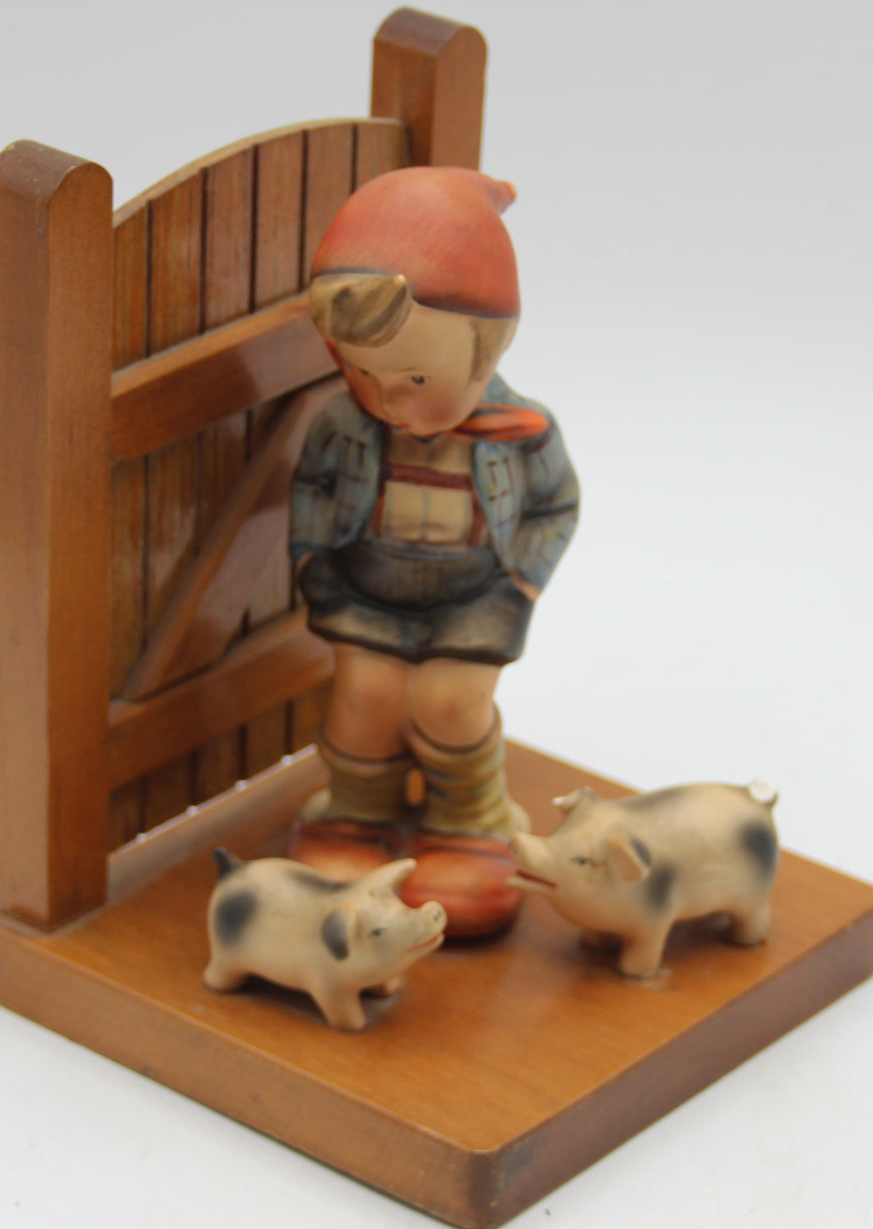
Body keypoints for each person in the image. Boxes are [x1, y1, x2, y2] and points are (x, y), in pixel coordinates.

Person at [288, 166, 580, 934]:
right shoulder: (344, 424)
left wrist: (522, 584)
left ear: (487, 352)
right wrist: (312, 562)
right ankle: (357, 815)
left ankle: (469, 822)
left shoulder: (526, 433)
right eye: (361, 371)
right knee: (365, 695)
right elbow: (313, 488)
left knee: (452, 701)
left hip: (475, 590)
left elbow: (557, 504)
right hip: (367, 581)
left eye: (416, 377)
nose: (388, 401)